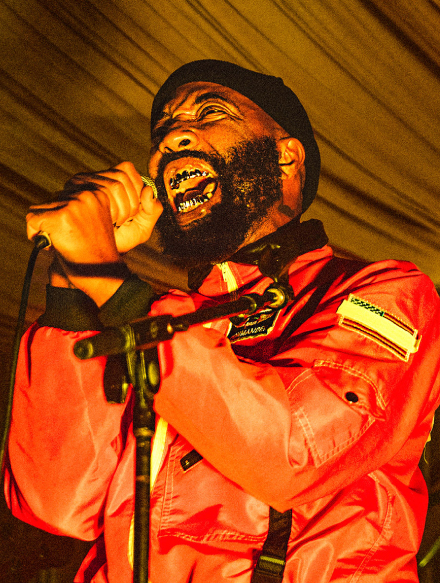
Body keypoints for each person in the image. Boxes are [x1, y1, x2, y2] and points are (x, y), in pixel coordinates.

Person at [4, 59, 440, 583]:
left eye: (210, 111)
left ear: (286, 159)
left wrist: (109, 279)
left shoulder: (385, 292)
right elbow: (56, 500)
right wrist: (72, 286)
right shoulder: (155, 316)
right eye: (164, 127)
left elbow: (294, 452)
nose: (171, 137)